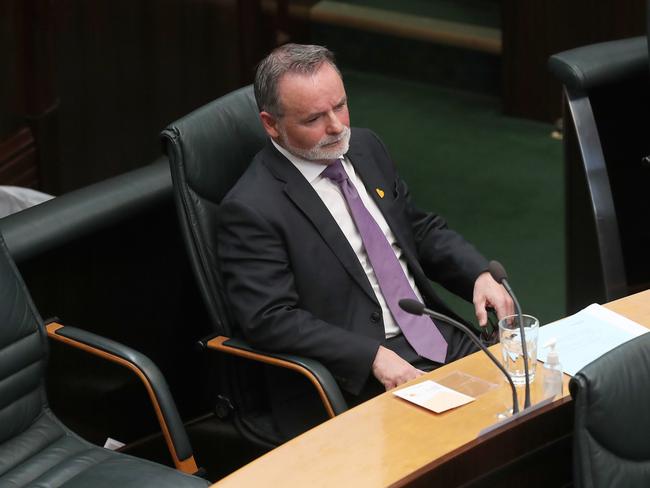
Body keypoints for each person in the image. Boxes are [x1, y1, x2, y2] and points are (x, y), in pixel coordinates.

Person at [217, 43, 513, 439]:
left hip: (436, 335)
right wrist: (370, 356)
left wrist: (476, 274)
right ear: (271, 124)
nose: (337, 127)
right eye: (314, 119)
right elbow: (270, 317)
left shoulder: (366, 147)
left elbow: (416, 229)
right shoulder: (251, 207)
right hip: (354, 373)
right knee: (461, 444)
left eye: (340, 106)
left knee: (532, 400)